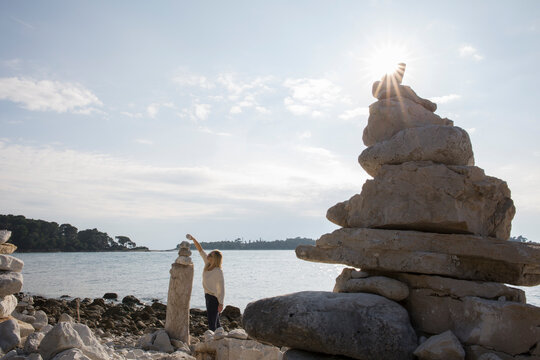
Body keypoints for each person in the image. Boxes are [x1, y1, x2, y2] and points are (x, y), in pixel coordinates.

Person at [186, 233, 224, 331]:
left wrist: (221, 303)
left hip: (213, 298)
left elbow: (222, 288)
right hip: (207, 296)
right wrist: (193, 239)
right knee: (215, 321)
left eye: (210, 255)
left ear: (214, 258)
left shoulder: (218, 271)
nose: (208, 255)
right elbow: (200, 250)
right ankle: (221, 337)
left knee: (212, 322)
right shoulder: (207, 264)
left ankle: (213, 341)